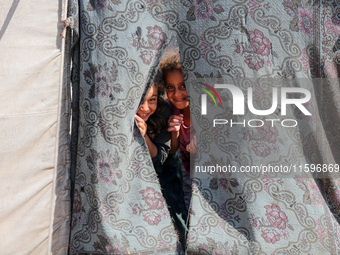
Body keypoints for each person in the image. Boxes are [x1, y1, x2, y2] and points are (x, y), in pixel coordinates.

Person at [135, 72, 188, 247]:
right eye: (140, 100)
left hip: (163, 169)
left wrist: (144, 136)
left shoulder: (163, 112)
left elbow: (160, 158)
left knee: (173, 214)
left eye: (152, 99)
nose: (144, 108)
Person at [159, 51, 197, 212]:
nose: (177, 94)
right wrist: (174, 132)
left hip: (215, 176)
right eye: (170, 87)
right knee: (190, 208)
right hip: (188, 171)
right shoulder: (169, 108)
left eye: (183, 86)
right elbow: (173, 149)